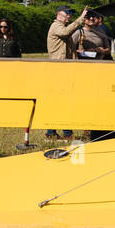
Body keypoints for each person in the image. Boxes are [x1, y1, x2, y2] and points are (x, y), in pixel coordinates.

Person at [45, 7, 88, 139]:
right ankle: (63, 132)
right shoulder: (56, 26)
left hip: (66, 69)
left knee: (62, 101)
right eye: (67, 14)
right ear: (59, 14)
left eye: (70, 14)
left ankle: (53, 132)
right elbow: (65, 32)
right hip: (59, 70)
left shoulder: (62, 27)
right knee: (62, 101)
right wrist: (81, 18)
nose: (69, 16)